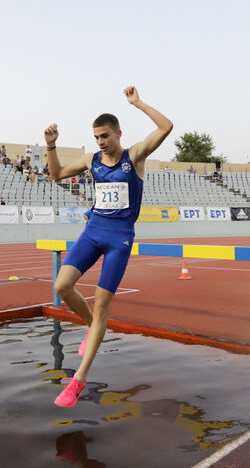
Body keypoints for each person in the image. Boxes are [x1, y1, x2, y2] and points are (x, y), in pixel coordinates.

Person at [45, 86, 172, 408]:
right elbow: (56, 174)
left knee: (103, 307)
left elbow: (166, 127)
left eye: (105, 135)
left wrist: (137, 103)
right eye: (96, 137)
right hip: (93, 230)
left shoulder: (135, 156)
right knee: (62, 285)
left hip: (120, 237)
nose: (101, 141)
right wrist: (51, 146)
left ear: (117, 133)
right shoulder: (91, 160)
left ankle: (78, 380)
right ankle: (91, 327)